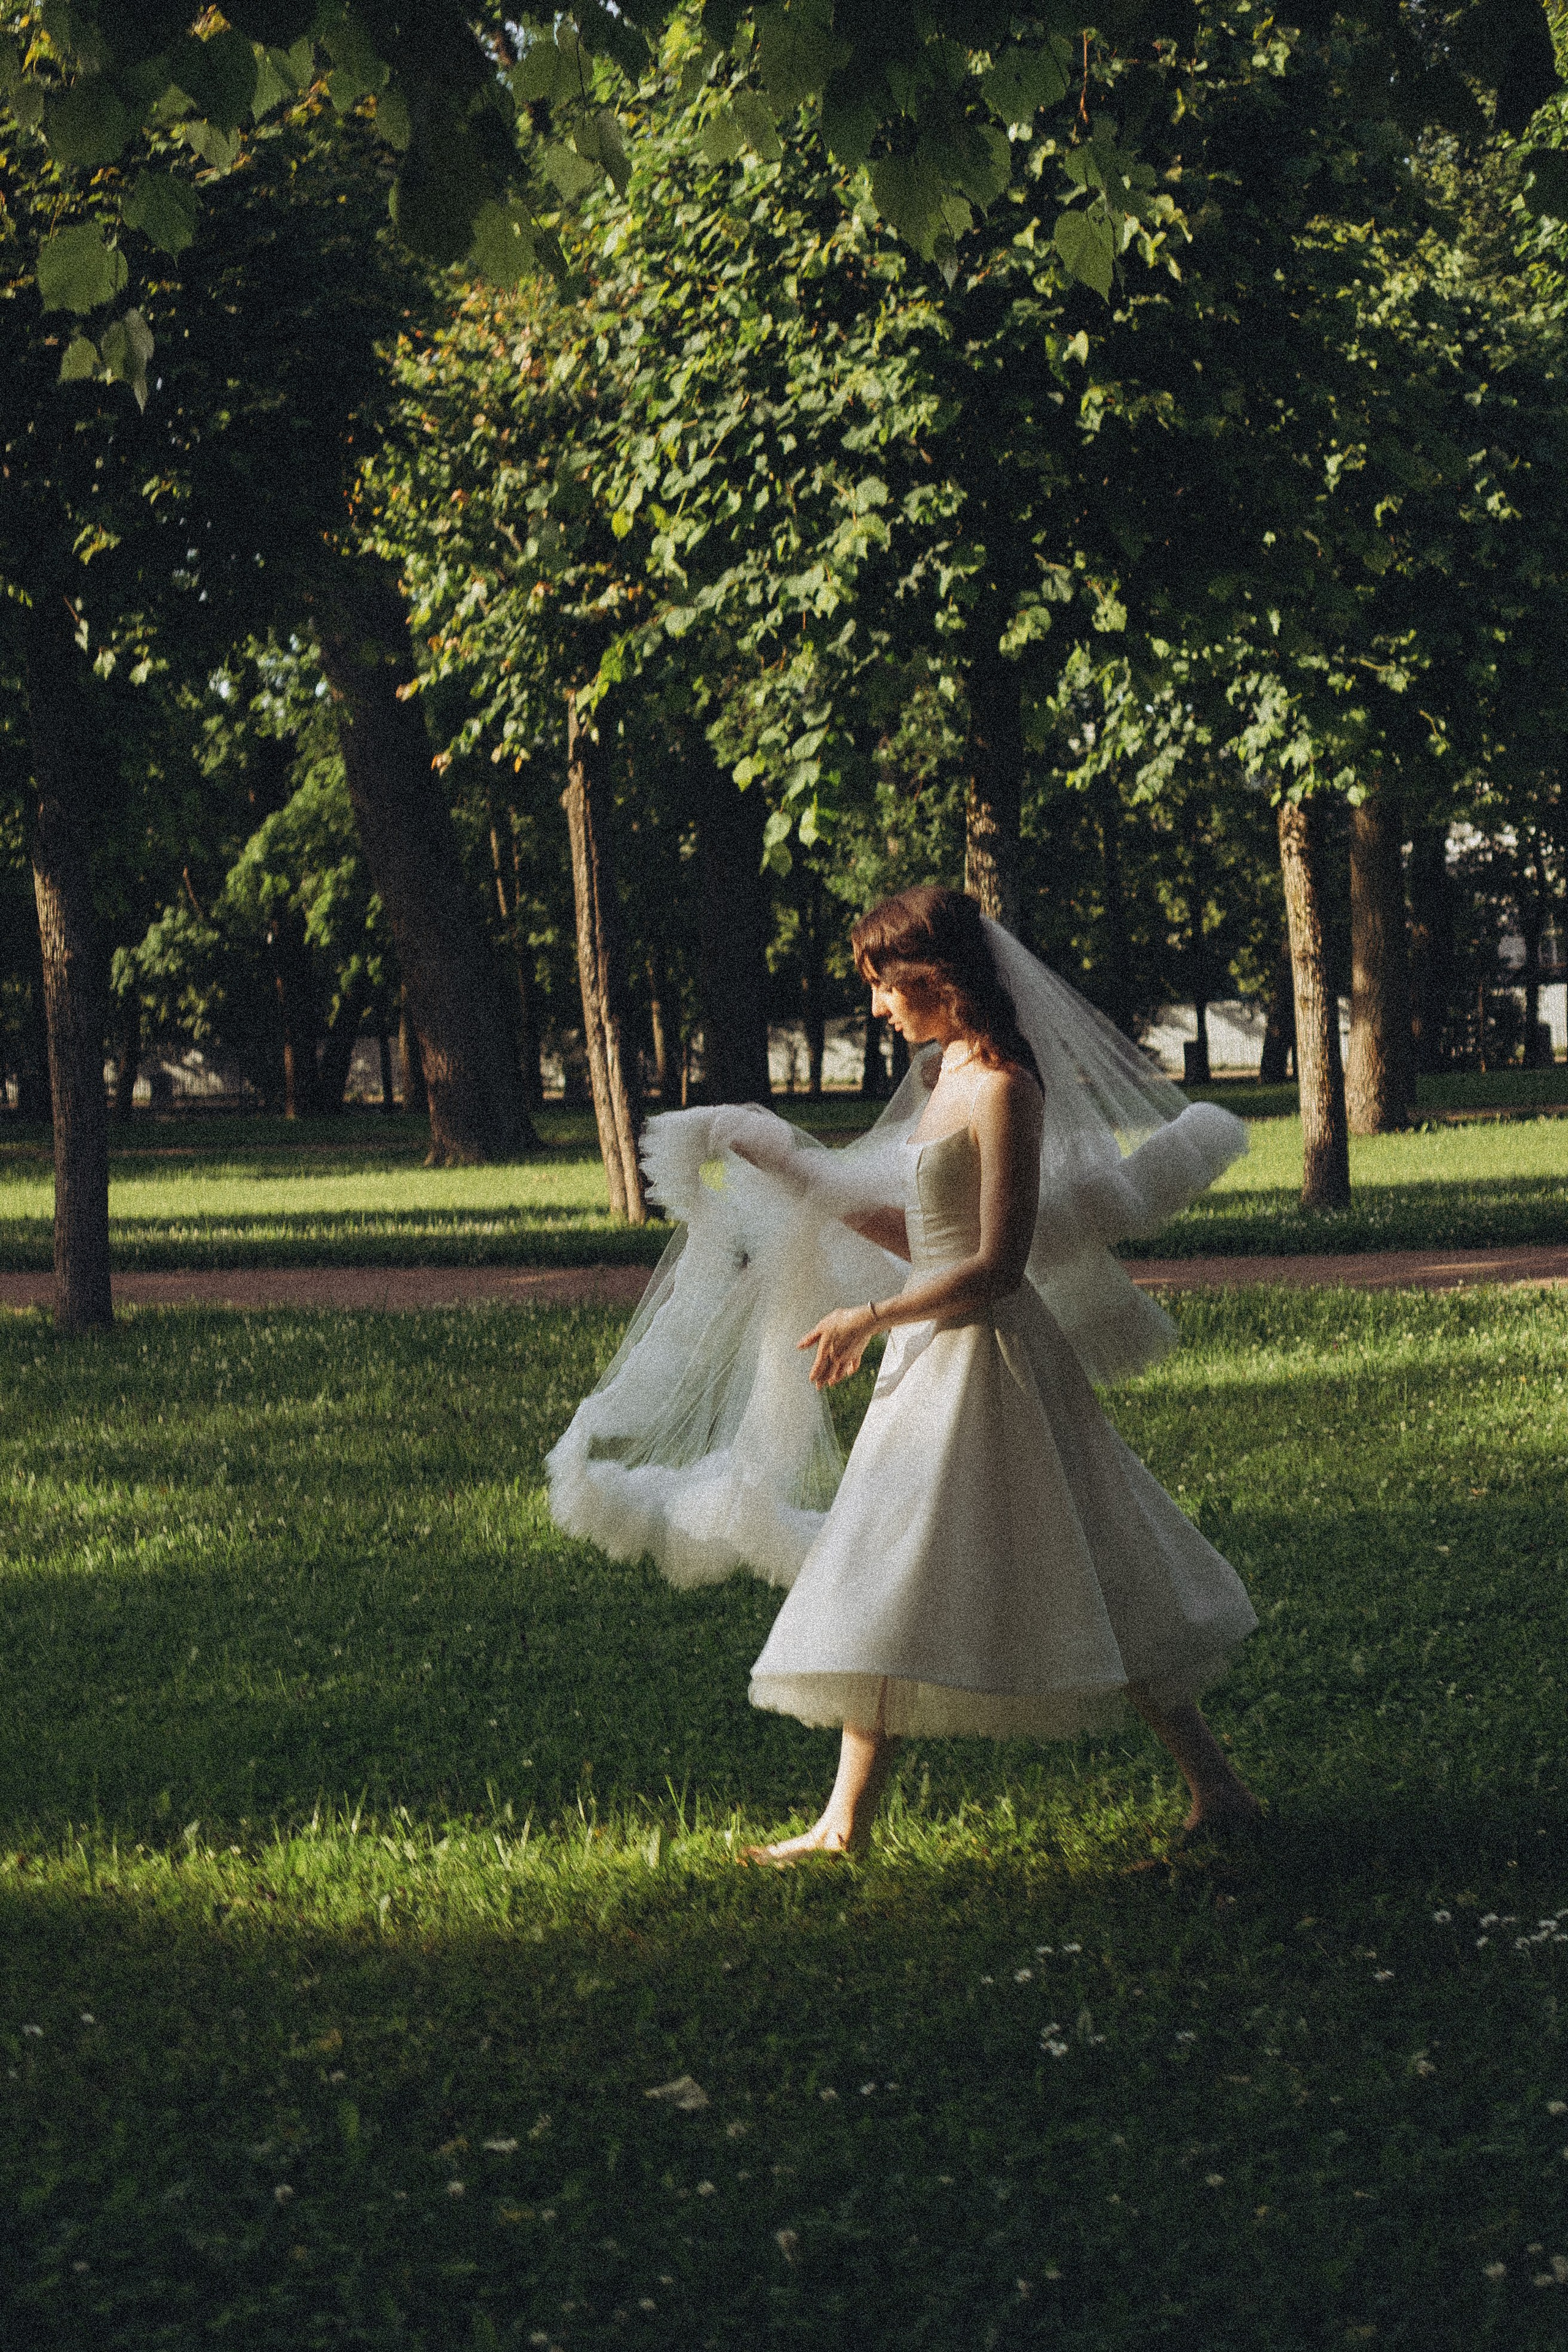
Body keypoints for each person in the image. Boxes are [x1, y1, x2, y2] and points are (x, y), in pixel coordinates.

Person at [547, 885, 1261, 1863]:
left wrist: (871, 1314)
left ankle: (1216, 1789)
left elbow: (999, 1265)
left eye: (887, 985)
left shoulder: (1010, 1086)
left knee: (1087, 1556)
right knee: (886, 1564)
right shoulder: (941, 1075)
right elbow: (927, 1236)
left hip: (995, 1359)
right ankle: (845, 1822)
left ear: (940, 977)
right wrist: (803, 1175)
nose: (879, 1006)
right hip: (930, 1359)